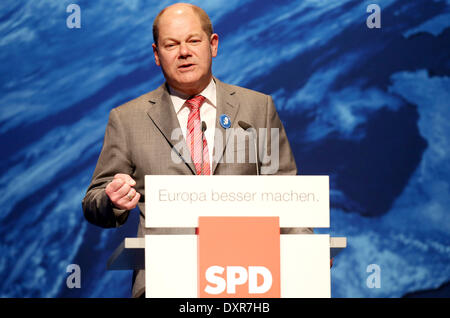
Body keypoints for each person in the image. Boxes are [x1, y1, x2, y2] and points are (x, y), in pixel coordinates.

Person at [82, 3, 312, 298]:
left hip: (247, 277)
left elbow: (285, 194)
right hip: (164, 282)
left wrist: (306, 252)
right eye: (171, 44)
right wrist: (111, 199)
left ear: (212, 45)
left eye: (193, 40)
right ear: (156, 54)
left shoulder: (257, 107)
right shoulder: (127, 119)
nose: (184, 52)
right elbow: (94, 201)